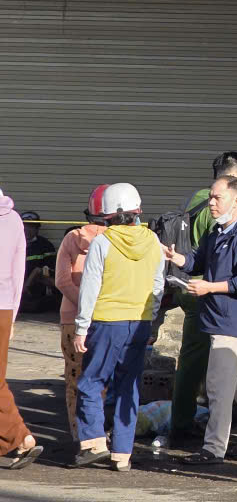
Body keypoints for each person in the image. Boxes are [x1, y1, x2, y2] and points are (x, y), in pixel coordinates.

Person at [166, 175, 237, 465]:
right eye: (211, 197)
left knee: (218, 386)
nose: (211, 203)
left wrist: (209, 287)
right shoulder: (217, 231)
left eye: (217, 198)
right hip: (215, 317)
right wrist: (177, 258)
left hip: (232, 320)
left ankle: (213, 448)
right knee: (234, 380)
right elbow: (198, 262)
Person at [72, 183, 166, 471]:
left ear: (106, 215)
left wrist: (81, 327)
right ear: (137, 211)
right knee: (128, 386)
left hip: (106, 322)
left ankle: (93, 443)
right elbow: (158, 285)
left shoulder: (102, 243)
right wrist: (150, 316)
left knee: (91, 382)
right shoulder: (153, 241)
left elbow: (90, 288)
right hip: (139, 323)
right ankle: (122, 454)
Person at [170, 151, 237, 447]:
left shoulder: (196, 200)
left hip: (200, 289)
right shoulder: (215, 210)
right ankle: (193, 430)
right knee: (207, 367)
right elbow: (215, 258)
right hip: (205, 294)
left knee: (225, 369)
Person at [52, 185, 109, 442]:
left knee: (74, 378)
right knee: (104, 378)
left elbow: (62, 281)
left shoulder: (71, 238)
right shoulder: (119, 240)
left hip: (71, 320)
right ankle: (102, 433)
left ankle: (79, 435)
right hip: (108, 319)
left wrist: (85, 306)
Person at [1, 187, 42, 470]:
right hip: (4, 307)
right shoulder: (14, 219)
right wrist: (13, 315)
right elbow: (18, 272)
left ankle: (20, 437)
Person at [19, 212, 59, 314]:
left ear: (37, 229)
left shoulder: (45, 245)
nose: (27, 230)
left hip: (35, 289)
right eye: (25, 226)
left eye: (31, 227)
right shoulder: (11, 242)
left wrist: (28, 284)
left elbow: (47, 270)